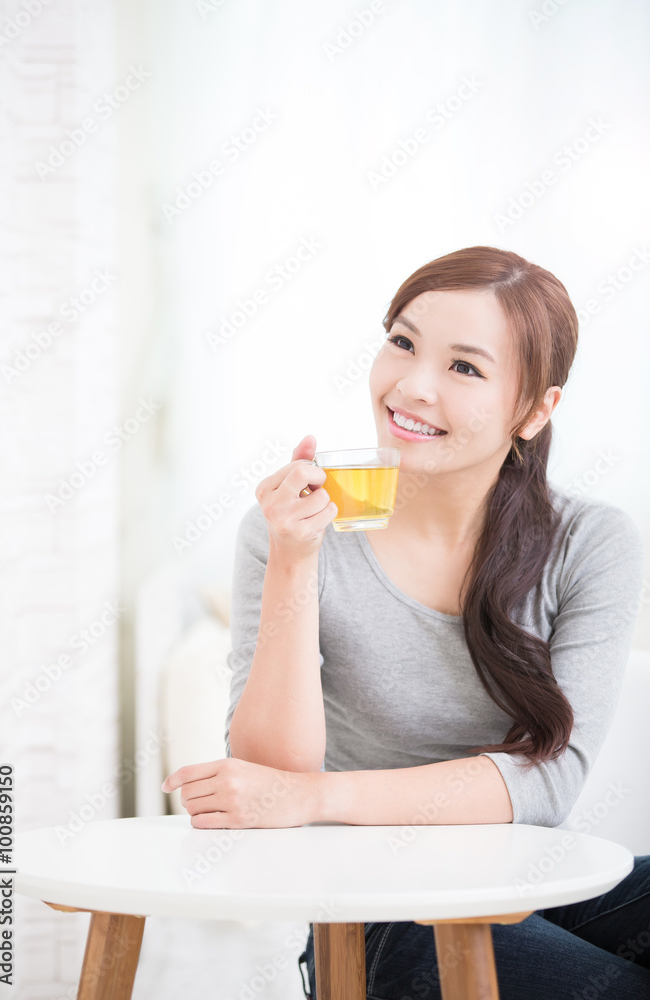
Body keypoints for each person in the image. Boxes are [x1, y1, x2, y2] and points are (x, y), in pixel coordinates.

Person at [162, 246, 650, 998]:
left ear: (533, 409)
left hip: (529, 881)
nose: (411, 387)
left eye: (464, 368)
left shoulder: (590, 543)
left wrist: (319, 800)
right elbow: (269, 778)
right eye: (401, 342)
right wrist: (297, 559)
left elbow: (549, 781)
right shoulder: (286, 529)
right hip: (377, 908)